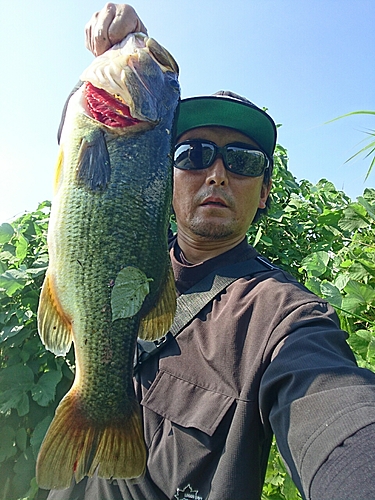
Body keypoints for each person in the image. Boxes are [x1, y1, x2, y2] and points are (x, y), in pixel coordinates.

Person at [47, 4, 375, 500]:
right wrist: (122, 48)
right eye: (193, 154)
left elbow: (338, 412)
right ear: (166, 174)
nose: (217, 174)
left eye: (242, 161)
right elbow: (77, 143)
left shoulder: (281, 316)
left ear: (264, 191)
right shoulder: (141, 259)